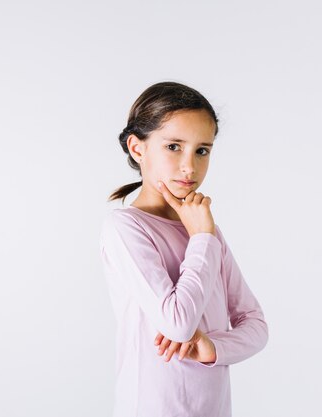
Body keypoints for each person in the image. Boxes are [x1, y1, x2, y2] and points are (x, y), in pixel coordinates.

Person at [99, 81, 269, 417]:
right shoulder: (127, 228)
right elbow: (177, 323)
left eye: (201, 150)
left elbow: (256, 325)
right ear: (137, 148)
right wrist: (202, 237)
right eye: (174, 146)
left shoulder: (207, 232)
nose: (189, 166)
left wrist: (213, 347)